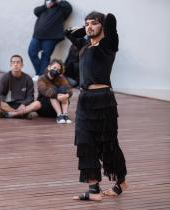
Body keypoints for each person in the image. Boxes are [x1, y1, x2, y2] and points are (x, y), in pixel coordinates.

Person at [65, 12, 127, 201]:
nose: (89, 27)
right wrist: (86, 28)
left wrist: (102, 21)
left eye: (94, 24)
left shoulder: (109, 45)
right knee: (85, 142)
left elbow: (111, 20)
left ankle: (121, 182)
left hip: (103, 99)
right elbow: (68, 33)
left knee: (108, 144)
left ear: (102, 27)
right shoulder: (84, 45)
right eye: (87, 24)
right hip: (85, 99)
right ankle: (94, 190)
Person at [28, 0, 72, 81]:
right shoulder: (45, 7)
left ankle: (41, 76)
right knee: (31, 52)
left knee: (45, 56)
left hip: (51, 37)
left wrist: (58, 1)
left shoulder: (62, 7)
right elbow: (36, 11)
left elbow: (68, 8)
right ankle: (39, 73)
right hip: (37, 35)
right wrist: (46, 6)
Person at [36, 59, 73, 124]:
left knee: (64, 89)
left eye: (58, 70)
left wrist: (66, 95)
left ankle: (65, 115)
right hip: (45, 108)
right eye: (54, 68)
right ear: (49, 67)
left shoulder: (60, 78)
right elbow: (45, 91)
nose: (56, 71)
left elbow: (69, 89)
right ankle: (59, 115)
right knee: (53, 90)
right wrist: (57, 96)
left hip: (57, 106)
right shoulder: (41, 79)